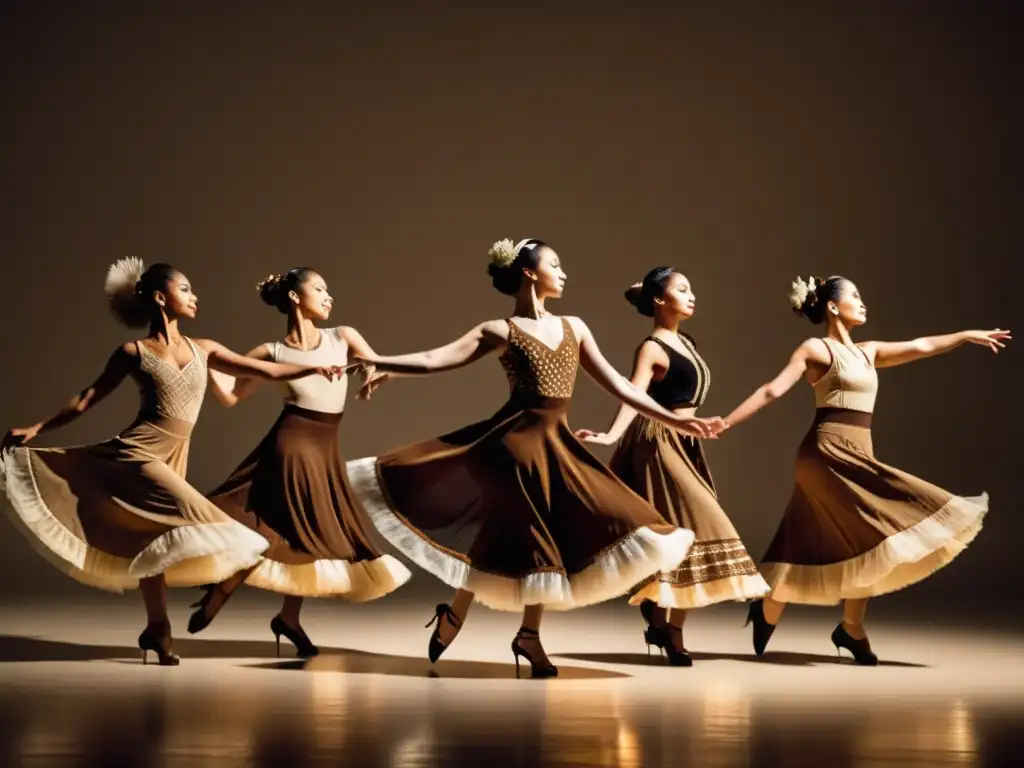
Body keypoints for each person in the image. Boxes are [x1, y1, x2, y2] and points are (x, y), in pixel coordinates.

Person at [347, 238, 726, 678]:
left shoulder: (575, 327)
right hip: (511, 445)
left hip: (555, 444)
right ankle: (523, 633)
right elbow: (436, 359)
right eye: (555, 265)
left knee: (527, 538)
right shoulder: (499, 331)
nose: (564, 273)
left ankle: (475, 619)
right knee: (533, 540)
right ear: (529, 272)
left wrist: (679, 422)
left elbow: (623, 387)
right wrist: (381, 362)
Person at [0, 259, 345, 665]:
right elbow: (87, 397)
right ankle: (190, 609)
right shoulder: (134, 352)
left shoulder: (205, 349)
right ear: (162, 298)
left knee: (154, 541)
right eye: (186, 289)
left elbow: (262, 369)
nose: (194, 296)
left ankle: (157, 629)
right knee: (213, 524)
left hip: (174, 456)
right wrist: (38, 427)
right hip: (139, 454)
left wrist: (315, 366)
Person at [724, 275, 1007, 664]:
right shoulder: (815, 349)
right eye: (855, 296)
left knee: (818, 539)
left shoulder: (869, 352)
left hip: (859, 451)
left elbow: (922, 345)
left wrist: (965, 335)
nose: (863, 303)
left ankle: (786, 613)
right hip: (826, 454)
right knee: (866, 532)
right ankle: (849, 627)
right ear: (833, 307)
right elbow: (772, 390)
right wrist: (725, 422)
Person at [185, 268, 411, 657]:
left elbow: (373, 362)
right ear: (294, 296)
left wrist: (373, 373)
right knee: (284, 526)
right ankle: (227, 591)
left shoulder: (343, 337)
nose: (329, 296)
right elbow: (232, 397)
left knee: (302, 531)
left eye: (329, 289)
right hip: (291, 443)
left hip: (325, 446)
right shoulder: (271, 352)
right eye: (320, 288)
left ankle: (283, 616)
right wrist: (206, 363)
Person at [576, 267, 769, 666]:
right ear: (660, 301)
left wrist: (702, 424)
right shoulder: (650, 348)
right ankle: (667, 625)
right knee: (694, 526)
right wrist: (611, 436)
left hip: (686, 441)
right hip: (658, 441)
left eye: (691, 287)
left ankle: (667, 625)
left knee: (682, 533)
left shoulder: (688, 342)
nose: (692, 294)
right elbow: (631, 394)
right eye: (682, 289)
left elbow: (684, 398)